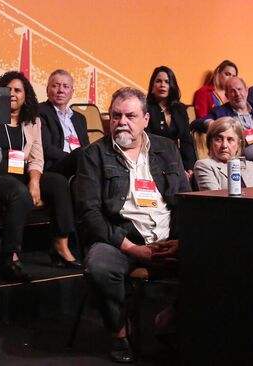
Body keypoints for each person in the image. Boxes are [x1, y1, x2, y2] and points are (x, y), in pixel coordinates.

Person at [74, 87, 188, 364]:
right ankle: (119, 334)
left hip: (169, 237)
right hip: (122, 239)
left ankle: (170, 316)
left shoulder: (167, 148)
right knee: (99, 266)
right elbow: (89, 214)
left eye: (130, 116)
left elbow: (186, 200)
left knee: (221, 255)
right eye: (115, 116)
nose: (122, 122)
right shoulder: (93, 155)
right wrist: (133, 249)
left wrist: (183, 240)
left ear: (146, 120)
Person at [0, 71, 79, 279]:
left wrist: (35, 180)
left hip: (21, 173)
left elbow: (37, 157)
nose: (12, 94)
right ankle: (9, 253)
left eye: (18, 90)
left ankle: (60, 244)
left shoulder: (33, 122)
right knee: (19, 192)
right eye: (8, 90)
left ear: (25, 96)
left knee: (58, 182)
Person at [197, 76, 253, 170]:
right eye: (232, 91)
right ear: (227, 96)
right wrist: (211, 123)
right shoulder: (221, 112)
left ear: (246, 91)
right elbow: (198, 123)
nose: (237, 94)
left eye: (239, 89)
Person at [36, 69, 90, 179]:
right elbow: (45, 147)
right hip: (54, 165)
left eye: (66, 86)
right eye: (55, 86)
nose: (61, 90)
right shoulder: (40, 111)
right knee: (82, 155)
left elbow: (87, 147)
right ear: (47, 90)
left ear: (72, 92)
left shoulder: (80, 118)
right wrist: (73, 157)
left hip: (80, 164)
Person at [145, 66, 197, 175]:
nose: (162, 85)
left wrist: (189, 169)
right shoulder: (145, 109)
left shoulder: (180, 109)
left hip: (178, 160)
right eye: (158, 81)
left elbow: (186, 141)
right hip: (154, 161)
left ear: (172, 86)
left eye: (167, 82)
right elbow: (147, 141)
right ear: (152, 86)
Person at [193, 118, 253, 191]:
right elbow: (214, 199)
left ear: (238, 144)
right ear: (211, 142)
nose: (224, 145)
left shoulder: (252, 167)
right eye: (218, 139)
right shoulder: (204, 165)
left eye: (230, 140)